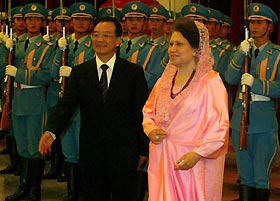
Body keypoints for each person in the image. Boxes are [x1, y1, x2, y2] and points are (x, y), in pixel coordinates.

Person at [39, 16, 149, 201]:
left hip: (124, 152)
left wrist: (144, 150)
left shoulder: (133, 72)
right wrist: (51, 131)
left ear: (118, 41)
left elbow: (141, 113)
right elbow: (66, 105)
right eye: (96, 35)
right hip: (92, 152)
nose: (100, 40)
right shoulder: (81, 72)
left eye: (106, 35)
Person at [142, 17, 229, 201]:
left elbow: (219, 126)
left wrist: (198, 153)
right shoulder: (163, 81)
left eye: (180, 44)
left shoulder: (211, 82)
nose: (173, 49)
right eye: (171, 43)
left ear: (196, 49)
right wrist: (150, 130)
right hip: (162, 157)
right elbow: (148, 111)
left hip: (193, 161)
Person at [225, 3, 279, 201]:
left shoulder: (277, 54)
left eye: (259, 22)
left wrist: (257, 84)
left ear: (270, 27)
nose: (254, 27)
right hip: (241, 119)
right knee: (245, 176)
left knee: (260, 176)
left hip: (263, 122)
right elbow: (229, 77)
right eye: (251, 23)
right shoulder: (244, 50)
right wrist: (240, 52)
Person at [4, 3, 53, 201]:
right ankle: (23, 187)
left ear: (42, 23)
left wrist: (20, 74)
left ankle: (35, 190)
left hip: (34, 99)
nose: (32, 23)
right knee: (22, 146)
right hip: (18, 100)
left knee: (35, 147)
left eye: (36, 19)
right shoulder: (15, 43)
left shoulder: (48, 46)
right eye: (29, 19)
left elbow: (47, 75)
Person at [51, 2, 96, 200]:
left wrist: (75, 75)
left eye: (84, 19)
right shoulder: (64, 44)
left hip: (85, 105)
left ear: (91, 23)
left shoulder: (95, 44)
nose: (79, 22)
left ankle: (85, 193)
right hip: (66, 104)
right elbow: (53, 72)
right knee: (69, 151)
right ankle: (72, 193)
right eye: (76, 18)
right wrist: (57, 52)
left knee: (84, 152)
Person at [0, 5, 26, 176]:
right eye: (17, 19)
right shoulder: (8, 40)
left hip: (23, 89)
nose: (21, 23)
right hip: (8, 86)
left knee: (22, 132)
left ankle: (20, 164)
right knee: (10, 125)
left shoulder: (24, 43)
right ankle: (14, 161)